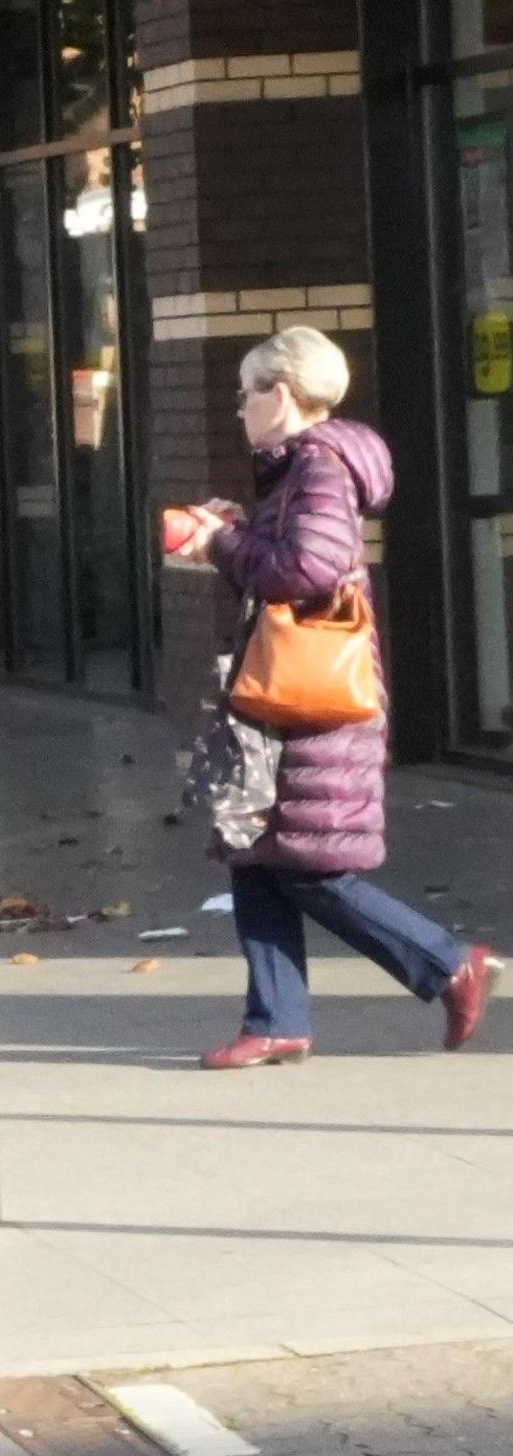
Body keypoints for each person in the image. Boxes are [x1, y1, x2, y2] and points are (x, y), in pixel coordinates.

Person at [183, 325, 497, 1070]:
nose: (239, 409)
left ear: (281, 395)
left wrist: (221, 544)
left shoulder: (319, 468)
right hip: (288, 697)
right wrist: (237, 527)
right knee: (254, 853)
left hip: (314, 702)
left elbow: (307, 568)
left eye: (246, 393)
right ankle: (275, 1021)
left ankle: (446, 961)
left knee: (303, 865)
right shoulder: (299, 470)